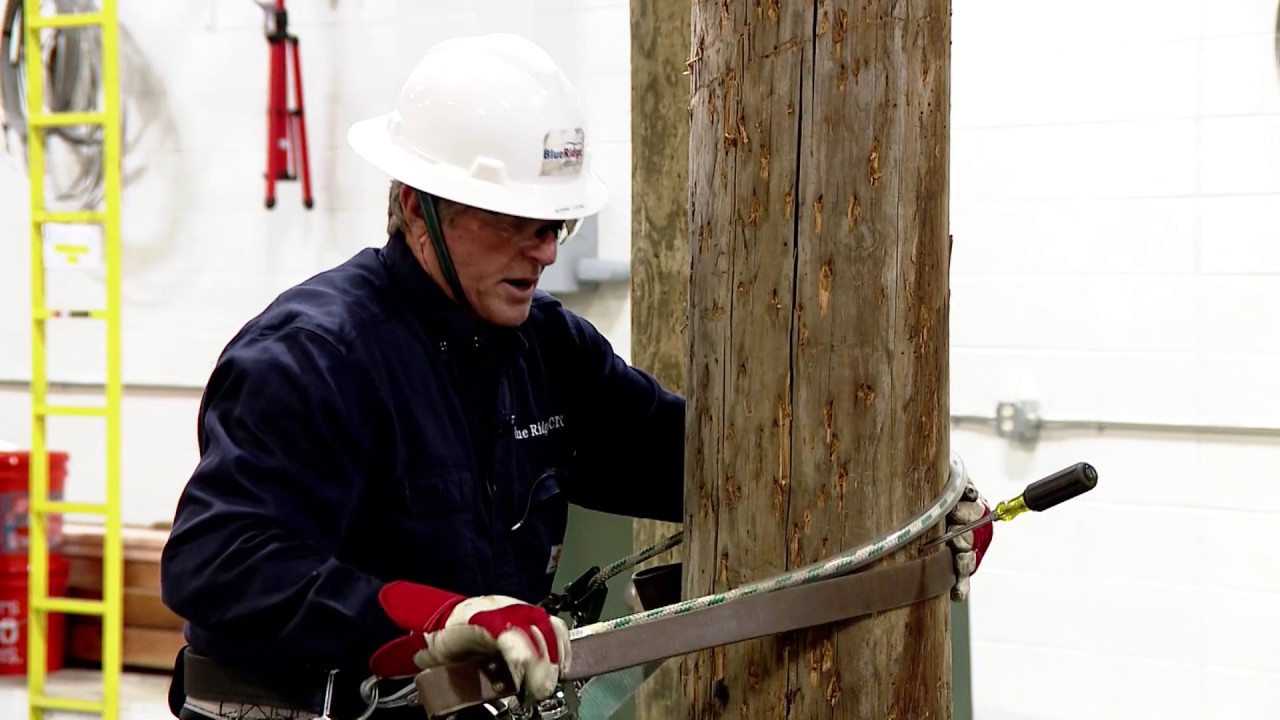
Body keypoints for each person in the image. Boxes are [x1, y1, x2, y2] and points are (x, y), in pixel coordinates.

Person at [159, 32, 993, 720]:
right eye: (519, 223)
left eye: (555, 224)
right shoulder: (314, 357)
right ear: (417, 205)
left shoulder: (545, 350)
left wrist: (909, 503)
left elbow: (705, 468)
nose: (547, 252)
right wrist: (436, 617)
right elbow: (218, 562)